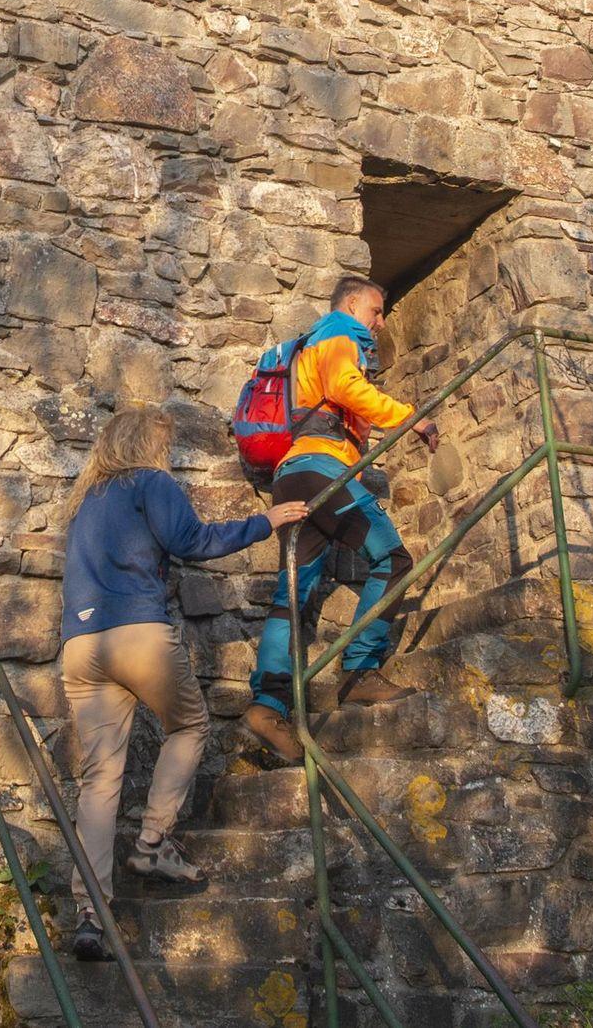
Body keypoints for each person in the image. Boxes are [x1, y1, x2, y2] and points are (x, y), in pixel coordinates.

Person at [57, 405, 309, 961]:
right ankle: (151, 841)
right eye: (162, 445)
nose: (165, 455)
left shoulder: (84, 503)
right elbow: (192, 541)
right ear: (145, 445)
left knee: (99, 780)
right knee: (190, 725)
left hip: (80, 646)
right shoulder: (151, 483)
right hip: (136, 634)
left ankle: (90, 913)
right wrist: (265, 522)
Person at [242, 277, 440, 764]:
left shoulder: (309, 344)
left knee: (293, 593)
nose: (381, 321)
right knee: (393, 560)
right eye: (376, 310)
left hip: (291, 475)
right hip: (321, 471)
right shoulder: (337, 331)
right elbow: (344, 386)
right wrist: (410, 417)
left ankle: (268, 706)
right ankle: (359, 670)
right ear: (352, 304)